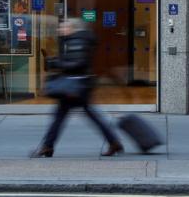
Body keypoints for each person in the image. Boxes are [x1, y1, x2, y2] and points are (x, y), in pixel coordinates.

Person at [31, 18, 123, 158]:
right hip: (77, 85)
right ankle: (114, 142)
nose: (60, 29)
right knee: (77, 116)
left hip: (76, 86)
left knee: (62, 117)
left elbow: (78, 63)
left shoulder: (76, 42)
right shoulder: (72, 41)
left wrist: (57, 64)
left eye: (63, 27)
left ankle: (47, 147)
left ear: (72, 28)